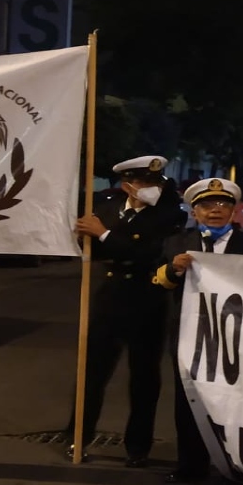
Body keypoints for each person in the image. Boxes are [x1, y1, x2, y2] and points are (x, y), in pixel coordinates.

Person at [152, 178, 243, 483]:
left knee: (239, 399)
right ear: (195, 212)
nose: (215, 211)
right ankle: (191, 466)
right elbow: (157, 281)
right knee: (189, 400)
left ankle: (240, 465)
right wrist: (173, 269)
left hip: (240, 336)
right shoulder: (177, 243)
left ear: (235, 211)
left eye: (223, 205)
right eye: (206, 205)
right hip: (190, 336)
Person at [67, 155, 186, 465]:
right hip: (110, 297)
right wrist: (85, 238)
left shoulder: (169, 215)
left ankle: (138, 447)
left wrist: (104, 235)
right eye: (145, 183)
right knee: (91, 374)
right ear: (128, 185)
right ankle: (77, 438)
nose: (151, 189)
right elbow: (91, 245)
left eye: (156, 183)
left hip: (148, 299)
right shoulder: (105, 207)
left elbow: (150, 253)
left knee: (144, 379)